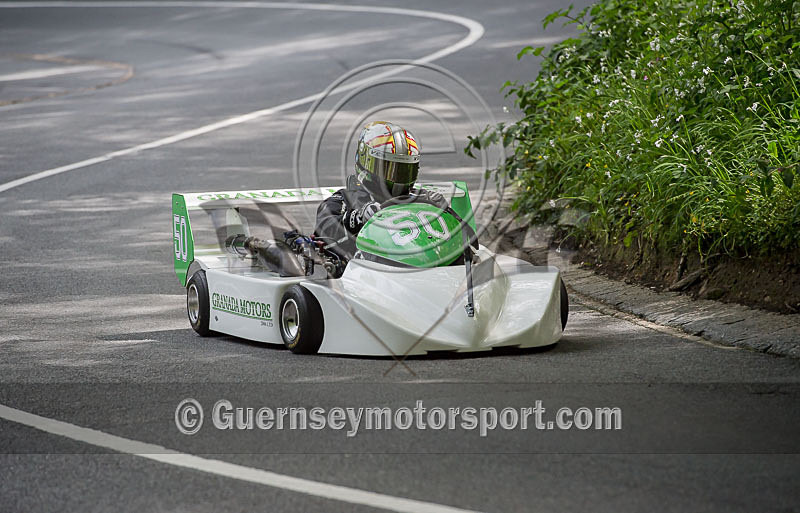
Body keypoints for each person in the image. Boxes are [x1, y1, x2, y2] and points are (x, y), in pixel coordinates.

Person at [314, 121, 448, 262]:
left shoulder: (421, 200)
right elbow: (324, 227)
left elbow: (468, 241)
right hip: (365, 276)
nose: (398, 179)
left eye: (404, 171)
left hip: (422, 270)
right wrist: (357, 218)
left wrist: (443, 213)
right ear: (366, 163)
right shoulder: (346, 199)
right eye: (389, 170)